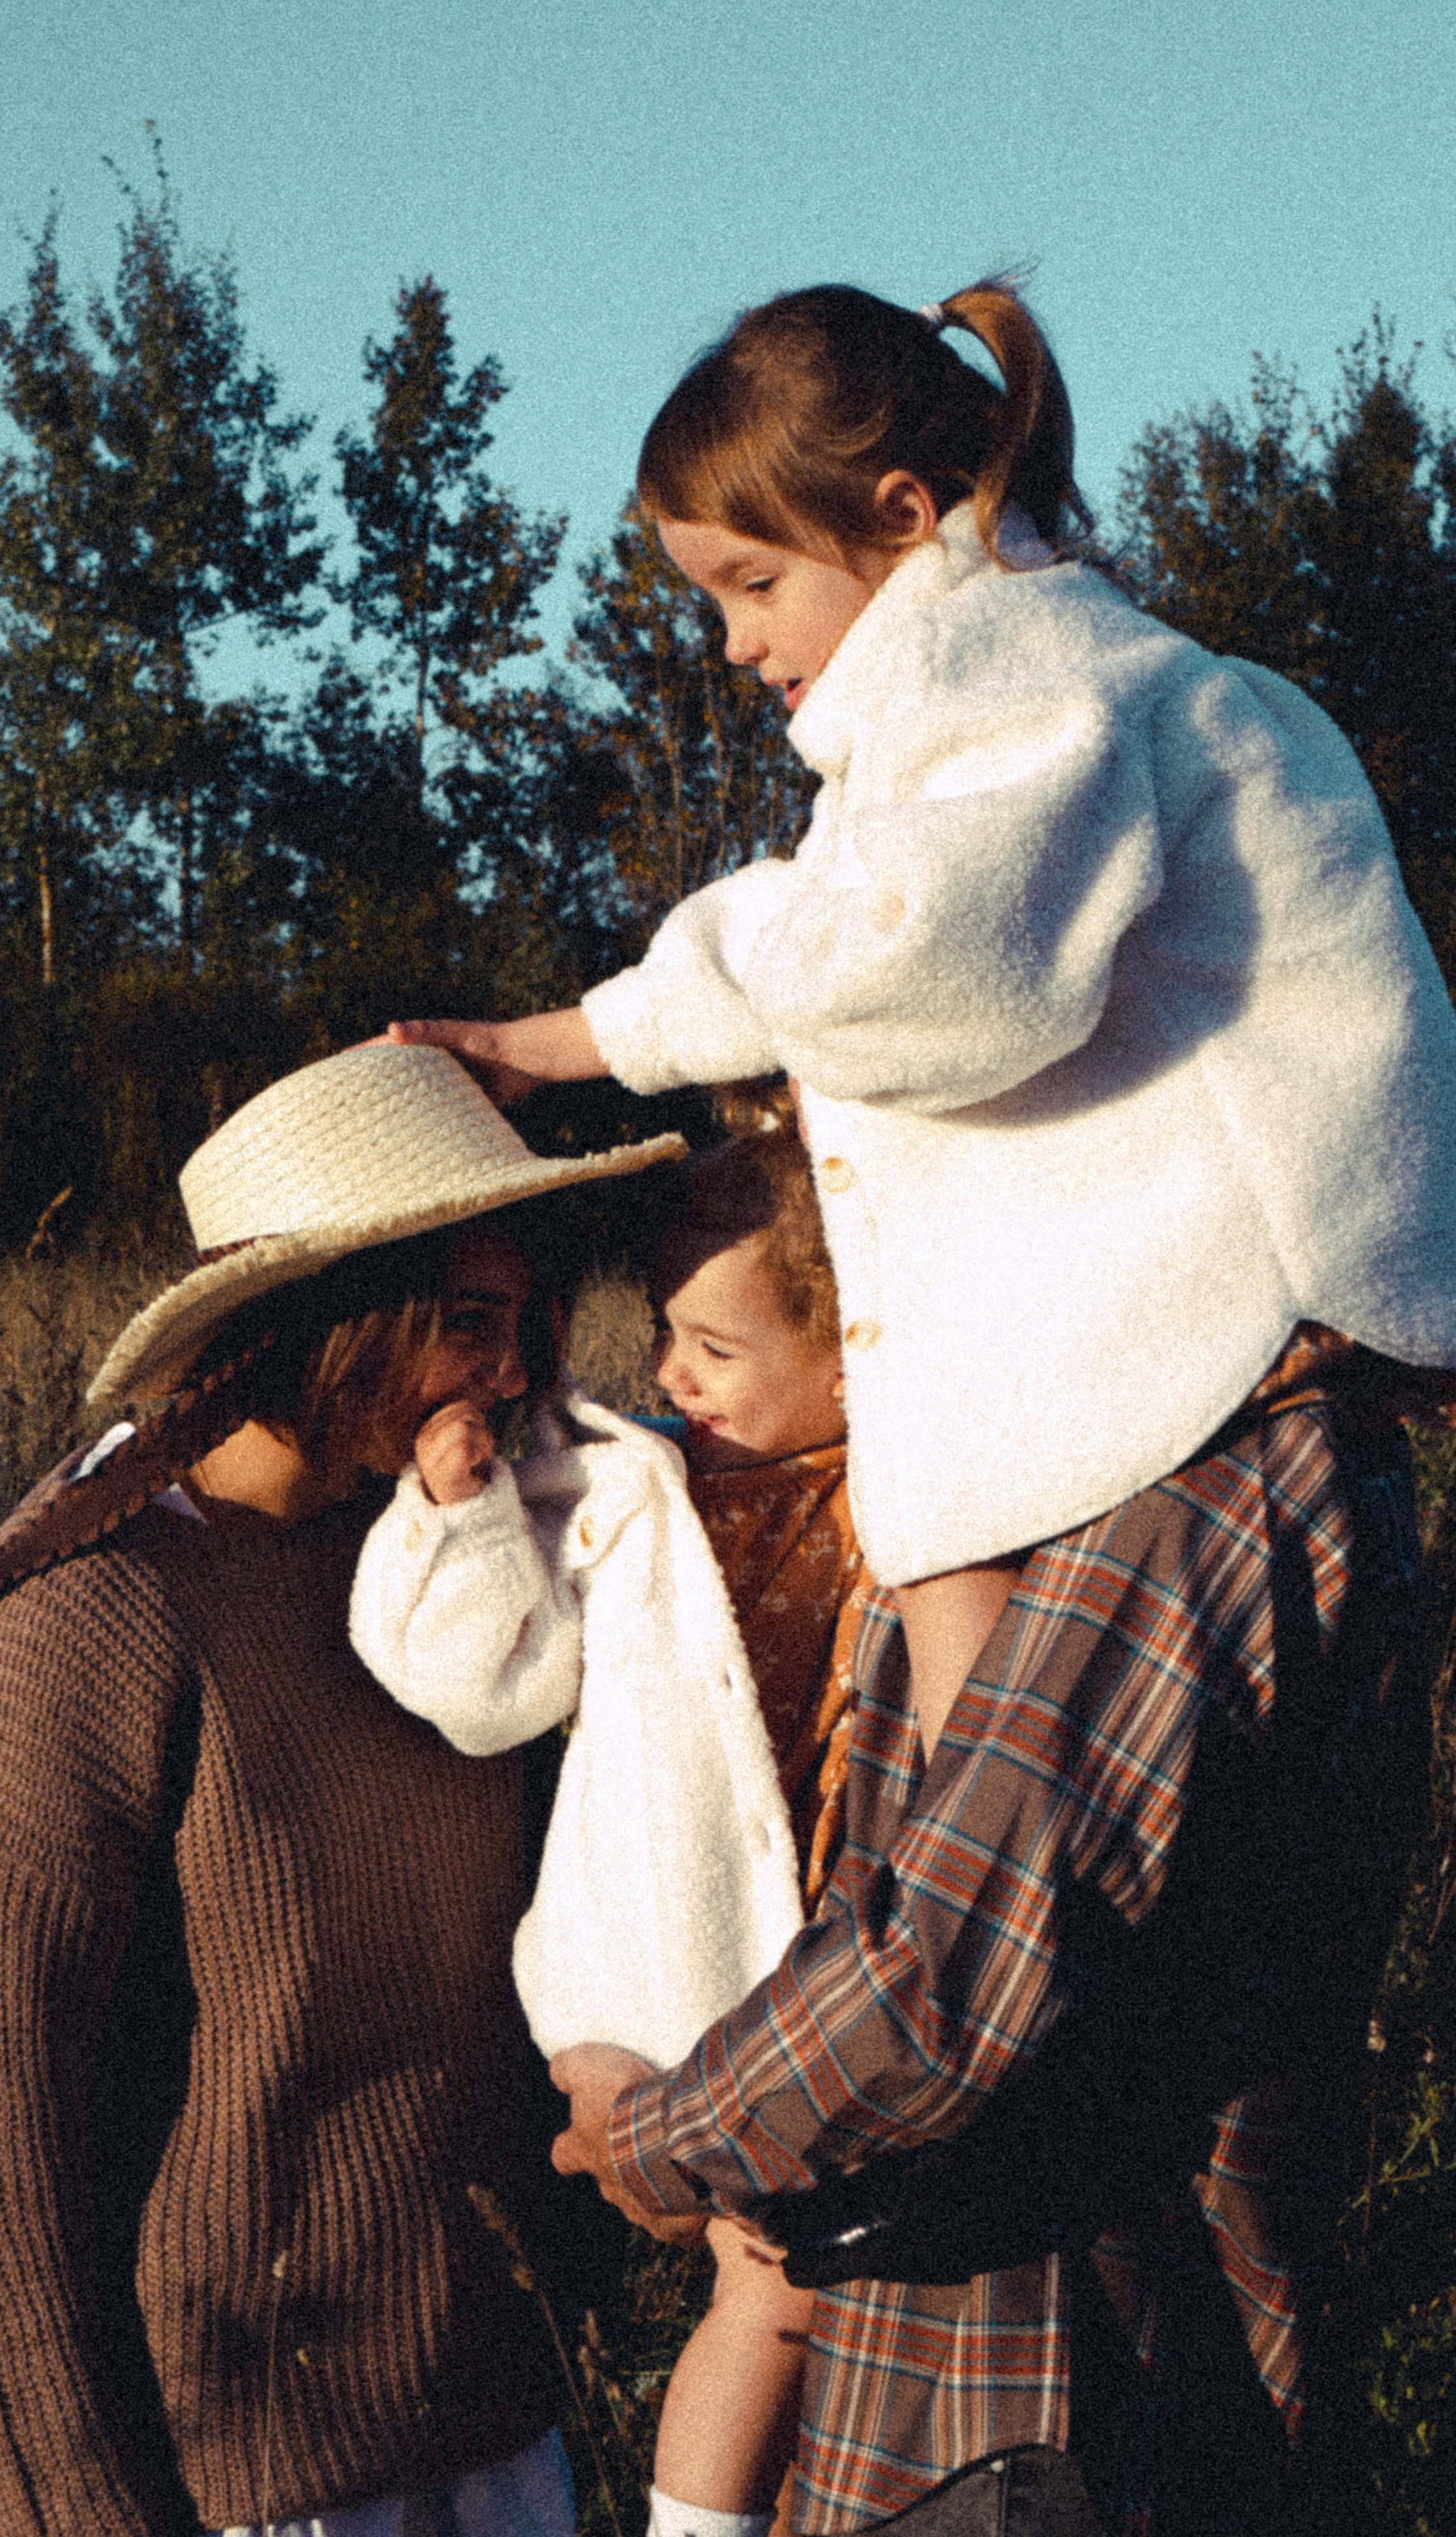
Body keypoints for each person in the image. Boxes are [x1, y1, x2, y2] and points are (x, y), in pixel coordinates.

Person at [388, 282, 1456, 2532]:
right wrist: (577, 1039)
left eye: (755, 586)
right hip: (1033, 2389)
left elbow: (916, 964)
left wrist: (651, 2144)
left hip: (1059, 2429)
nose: (737, 649)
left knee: (1024, 1956)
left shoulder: (1062, 694)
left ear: (906, 519)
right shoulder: (1005, 728)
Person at [0, 1042, 684, 2537]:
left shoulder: (454, 1569)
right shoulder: (88, 1627)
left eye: (522, 1323)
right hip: (241, 2474)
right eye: (464, 1323)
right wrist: (77, 2512)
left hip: (497, 2428)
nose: (510, 1372)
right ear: (327, 1317)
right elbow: (1, 2154)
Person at [351, 1105, 868, 2537]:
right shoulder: (628, 1482)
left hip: (847, 1957)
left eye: (714, 1349)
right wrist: (453, 1520)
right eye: (662, 1333)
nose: (668, 1372)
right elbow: (475, 1688)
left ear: (852, 1348)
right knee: (772, 2286)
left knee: (837, 2297)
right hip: (671, 1960)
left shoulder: (912, 1483)